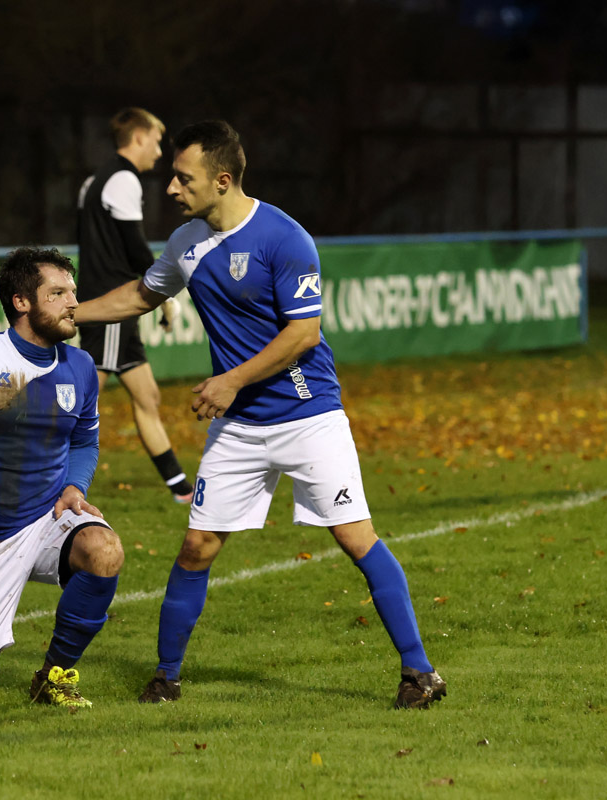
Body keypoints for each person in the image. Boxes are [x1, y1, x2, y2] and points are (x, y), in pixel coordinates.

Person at [73, 120, 446, 710]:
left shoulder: (284, 238)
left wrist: (230, 381)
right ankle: (166, 678)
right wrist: (72, 313)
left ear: (222, 180)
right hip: (240, 427)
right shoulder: (187, 242)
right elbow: (143, 295)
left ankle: (420, 673)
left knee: (356, 539)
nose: (170, 188)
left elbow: (303, 334)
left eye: (184, 178)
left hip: (308, 415)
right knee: (196, 547)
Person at [0, 246, 124, 708]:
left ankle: (53, 675)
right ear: (21, 302)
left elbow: (84, 441)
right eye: (57, 293)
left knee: (104, 550)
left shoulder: (79, 367)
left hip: (45, 520)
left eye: (72, 292)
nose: (73, 303)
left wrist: (75, 487)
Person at [76, 107, 195, 503]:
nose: (160, 152)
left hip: (110, 302)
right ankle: (37, 476)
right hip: (113, 306)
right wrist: (165, 294)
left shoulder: (93, 180)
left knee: (148, 397)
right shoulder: (124, 179)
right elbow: (135, 247)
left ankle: (180, 488)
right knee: (83, 402)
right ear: (139, 137)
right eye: (157, 142)